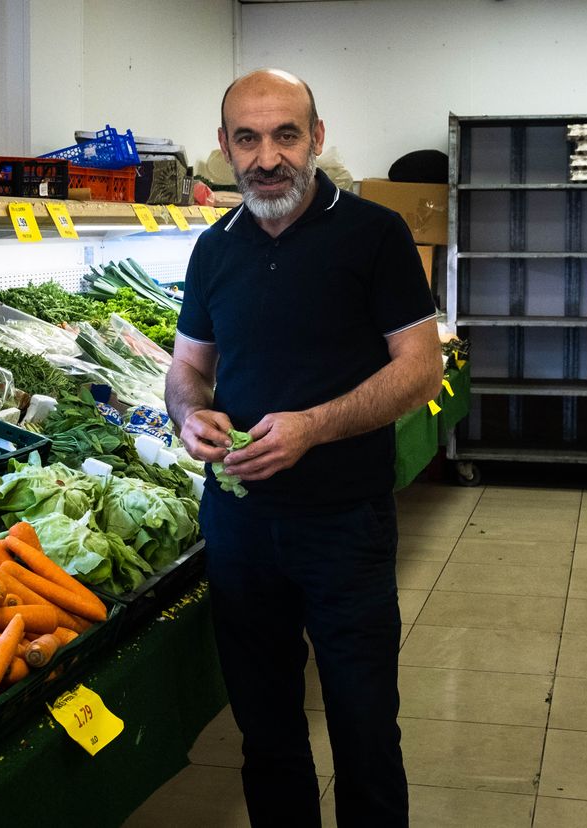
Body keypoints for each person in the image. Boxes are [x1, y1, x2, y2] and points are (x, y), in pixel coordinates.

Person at [165, 69, 442, 827]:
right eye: (247, 139)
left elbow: (421, 367)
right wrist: (191, 417)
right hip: (240, 525)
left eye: (285, 135)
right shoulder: (213, 249)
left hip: (343, 523)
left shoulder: (374, 234)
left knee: (362, 727)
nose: (267, 157)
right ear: (224, 148)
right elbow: (188, 368)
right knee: (267, 733)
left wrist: (314, 426)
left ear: (316, 138)